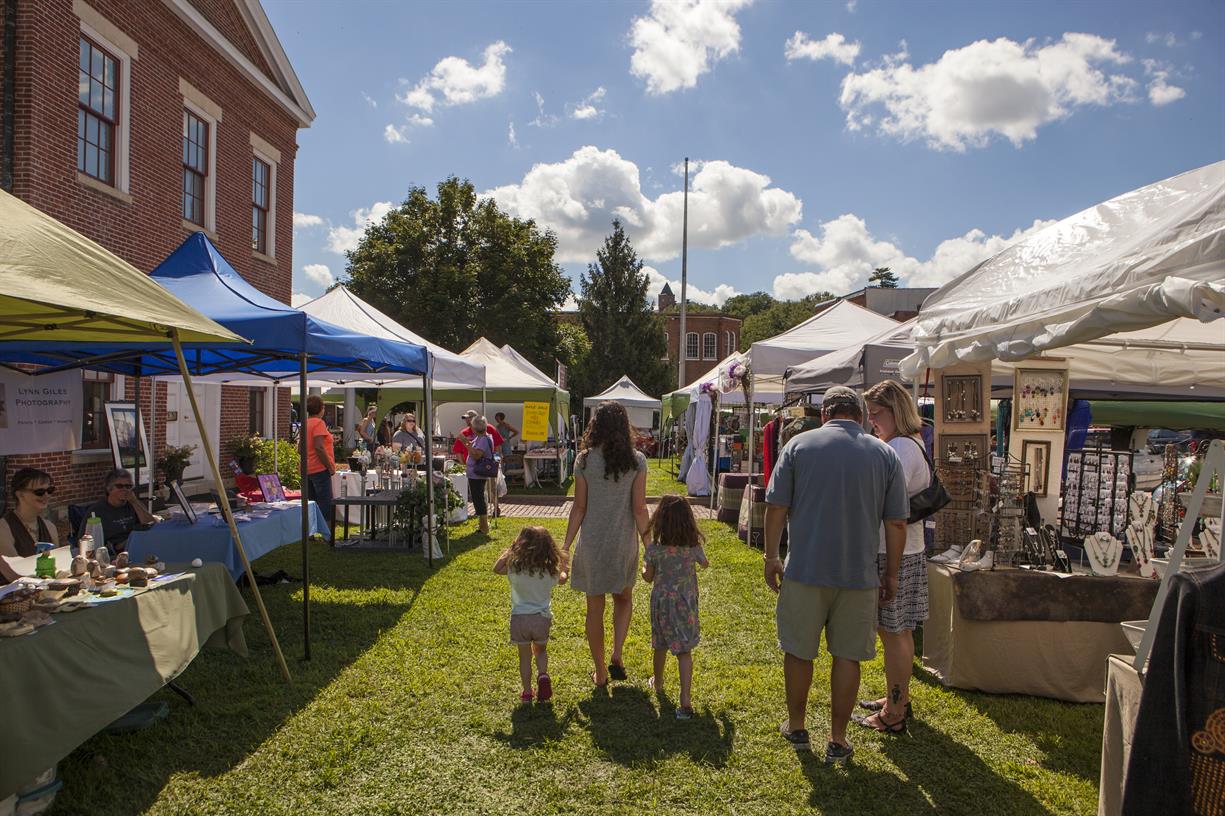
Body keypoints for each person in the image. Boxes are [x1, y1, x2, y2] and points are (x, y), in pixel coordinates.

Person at [763, 385, 909, 766]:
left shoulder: (797, 446)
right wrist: (891, 575)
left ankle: (797, 726)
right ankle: (838, 738)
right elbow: (896, 523)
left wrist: (769, 557)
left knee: (798, 651)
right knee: (847, 657)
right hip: (859, 576)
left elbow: (776, 507)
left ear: (825, 414)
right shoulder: (884, 454)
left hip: (805, 570)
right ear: (860, 415)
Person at [854, 379, 932, 734]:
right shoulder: (908, 443)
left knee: (895, 631)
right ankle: (896, 698)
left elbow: (890, 509)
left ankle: (895, 712)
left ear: (895, 411)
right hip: (904, 549)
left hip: (895, 552)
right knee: (896, 630)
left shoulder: (900, 447)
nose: (872, 421)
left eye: (876, 413)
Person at [561, 401, 651, 687]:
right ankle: (617, 654)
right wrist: (650, 546)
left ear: (595, 425)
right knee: (624, 599)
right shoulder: (637, 460)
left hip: (592, 543)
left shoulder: (584, 460)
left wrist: (565, 546)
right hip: (624, 541)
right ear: (625, 427)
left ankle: (600, 672)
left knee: (594, 608)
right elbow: (640, 509)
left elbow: (579, 508)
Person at [643, 494, 709, 719]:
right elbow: (705, 564)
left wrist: (644, 568)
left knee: (659, 645)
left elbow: (648, 578)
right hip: (685, 605)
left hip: (661, 604)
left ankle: (658, 683)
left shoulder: (655, 550)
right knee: (684, 652)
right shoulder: (693, 549)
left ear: (660, 521)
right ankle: (685, 700)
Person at [494, 526, 565, 703]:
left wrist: (510, 550)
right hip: (541, 618)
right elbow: (562, 578)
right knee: (540, 651)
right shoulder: (549, 572)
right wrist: (564, 567)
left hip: (519, 619)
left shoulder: (515, 570)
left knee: (524, 656)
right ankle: (542, 675)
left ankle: (527, 692)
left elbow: (497, 568)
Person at [79, 468, 158, 555]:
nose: (125, 489)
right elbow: (84, 541)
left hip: (136, 547)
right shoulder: (96, 511)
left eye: (128, 486)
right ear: (109, 489)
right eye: (120, 486)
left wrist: (134, 502)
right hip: (111, 552)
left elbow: (152, 526)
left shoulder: (134, 504)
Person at [0, 468, 60, 583]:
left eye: (50, 490)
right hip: (11, 597)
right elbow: (13, 574)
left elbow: (56, 566)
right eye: (39, 492)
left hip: (44, 594)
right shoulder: (4, 528)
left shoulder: (50, 527)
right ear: (20, 494)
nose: (46, 495)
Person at [305, 394, 336, 539]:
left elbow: (300, 449)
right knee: (325, 502)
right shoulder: (318, 423)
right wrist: (329, 465)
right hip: (319, 469)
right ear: (321, 409)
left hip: (306, 468)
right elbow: (319, 447)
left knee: (310, 502)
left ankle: (309, 533)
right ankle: (327, 534)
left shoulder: (305, 423)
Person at [465, 416, 497, 534]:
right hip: (475, 474)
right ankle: (482, 524)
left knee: (478, 499)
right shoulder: (482, 438)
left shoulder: (483, 439)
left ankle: (484, 527)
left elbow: (477, 455)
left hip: (477, 474)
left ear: (474, 428)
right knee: (478, 498)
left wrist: (466, 444)